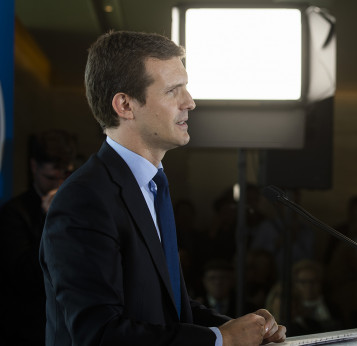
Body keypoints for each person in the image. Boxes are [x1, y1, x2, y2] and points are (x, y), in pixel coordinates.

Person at [39, 31, 286, 345]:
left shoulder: (153, 185)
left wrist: (243, 329)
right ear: (125, 105)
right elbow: (98, 334)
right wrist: (220, 340)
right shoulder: (83, 200)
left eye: (186, 87)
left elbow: (169, 311)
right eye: (173, 91)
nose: (190, 102)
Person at [0, 129, 76, 345]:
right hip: (28, 328)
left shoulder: (76, 207)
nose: (58, 185)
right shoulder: (15, 213)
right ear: (34, 167)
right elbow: (24, 276)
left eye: (65, 177)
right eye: (51, 177)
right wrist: (50, 222)